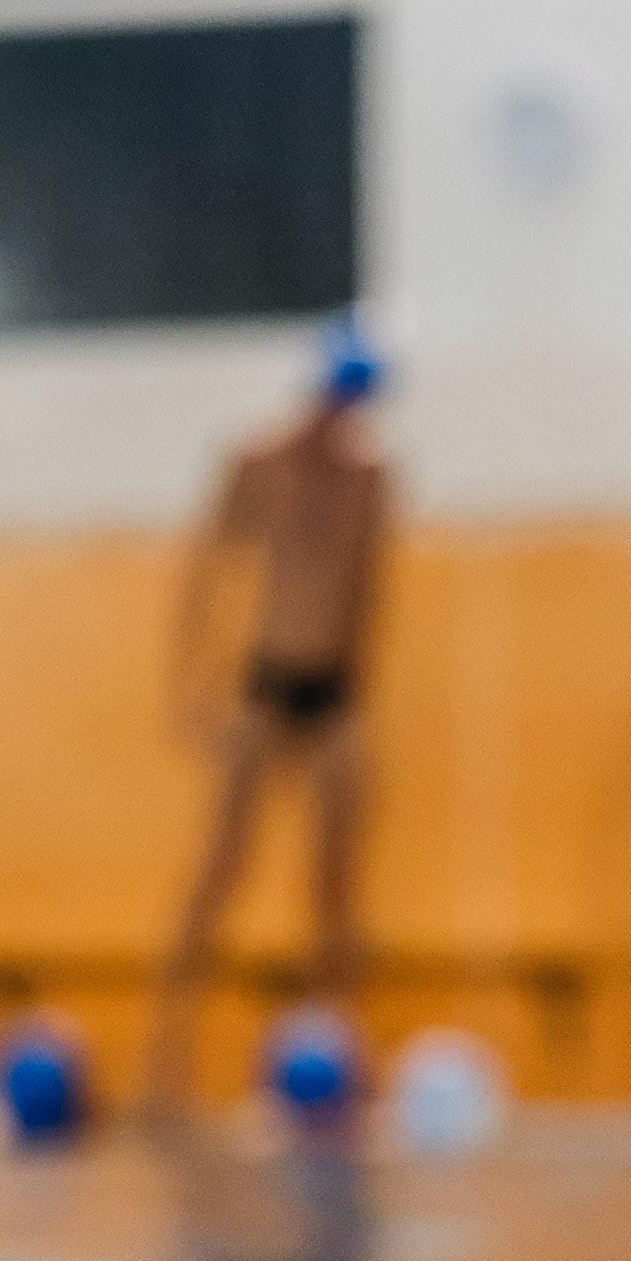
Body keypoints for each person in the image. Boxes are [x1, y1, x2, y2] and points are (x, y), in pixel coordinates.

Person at [149, 315, 398, 1111]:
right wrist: (196, 693)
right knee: (221, 870)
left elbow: (367, 597)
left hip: (334, 693)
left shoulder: (370, 483)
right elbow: (208, 580)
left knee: (338, 888)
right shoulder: (259, 466)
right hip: (265, 682)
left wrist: (360, 704)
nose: (341, 424)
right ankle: (169, 1057)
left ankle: (336, 1047)